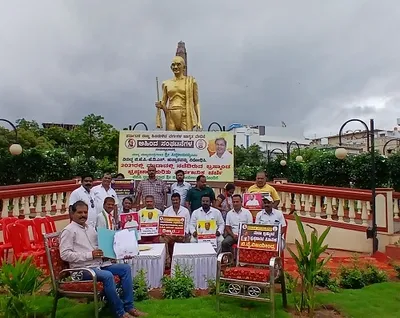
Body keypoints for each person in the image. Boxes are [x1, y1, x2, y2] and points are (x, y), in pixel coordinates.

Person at [60, 201, 147, 318]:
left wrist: (116, 253)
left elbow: (100, 246)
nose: (83, 215)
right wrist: (90, 255)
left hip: (98, 264)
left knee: (125, 268)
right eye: (79, 212)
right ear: (72, 213)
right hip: (82, 270)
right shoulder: (69, 231)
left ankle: (129, 307)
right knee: (107, 276)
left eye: (85, 212)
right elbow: (65, 255)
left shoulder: (90, 228)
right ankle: (120, 313)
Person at [155, 55, 202, 131]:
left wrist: (199, 120)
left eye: (178, 64)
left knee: (186, 140)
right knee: (171, 140)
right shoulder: (166, 83)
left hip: (185, 114)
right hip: (170, 114)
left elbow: (196, 103)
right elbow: (164, 102)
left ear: (184, 67)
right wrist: (160, 105)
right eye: (173, 65)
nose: (175, 67)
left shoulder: (191, 82)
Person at [160, 193, 191, 267]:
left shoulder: (185, 211)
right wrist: (164, 232)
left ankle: (184, 261)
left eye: (176, 200)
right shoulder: (167, 211)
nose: (175, 202)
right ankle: (167, 261)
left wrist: (185, 232)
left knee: (189, 238)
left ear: (180, 200)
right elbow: (164, 224)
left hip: (182, 235)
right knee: (161, 238)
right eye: (173, 200)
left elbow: (188, 224)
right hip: (170, 234)